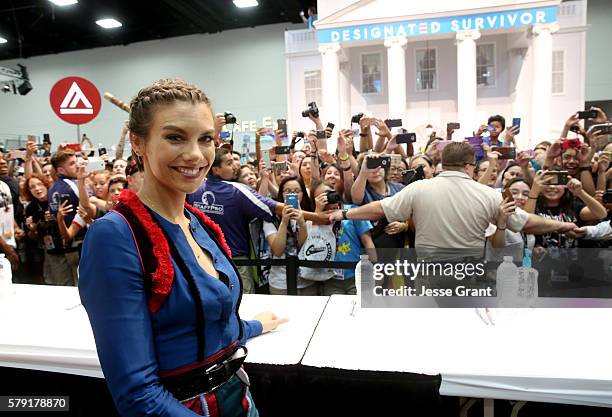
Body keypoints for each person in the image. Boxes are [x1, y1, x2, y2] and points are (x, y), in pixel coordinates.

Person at [79, 79, 286, 417]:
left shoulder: (200, 224)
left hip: (239, 398)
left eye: (205, 139)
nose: (194, 154)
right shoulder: (114, 237)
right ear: (138, 141)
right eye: (175, 137)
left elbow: (206, 320)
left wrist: (254, 326)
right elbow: (137, 395)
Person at [331, 143, 579, 261]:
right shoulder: (488, 194)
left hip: (429, 272)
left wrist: (344, 215)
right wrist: (561, 226)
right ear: (470, 166)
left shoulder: (419, 188)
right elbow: (526, 223)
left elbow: (379, 209)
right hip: (468, 271)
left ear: (444, 163)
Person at [187, 147, 280, 294]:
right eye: (229, 163)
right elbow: (271, 208)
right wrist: (318, 217)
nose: (235, 166)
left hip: (204, 259)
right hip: (234, 262)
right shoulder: (236, 189)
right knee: (244, 305)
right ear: (216, 169)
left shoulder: (193, 188)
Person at [263, 176, 316, 295]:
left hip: (308, 280)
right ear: (281, 194)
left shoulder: (312, 215)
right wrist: (284, 222)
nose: (293, 194)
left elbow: (306, 248)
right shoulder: (270, 218)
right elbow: (277, 250)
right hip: (280, 282)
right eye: (288, 191)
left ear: (303, 193)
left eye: (297, 191)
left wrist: (302, 224)